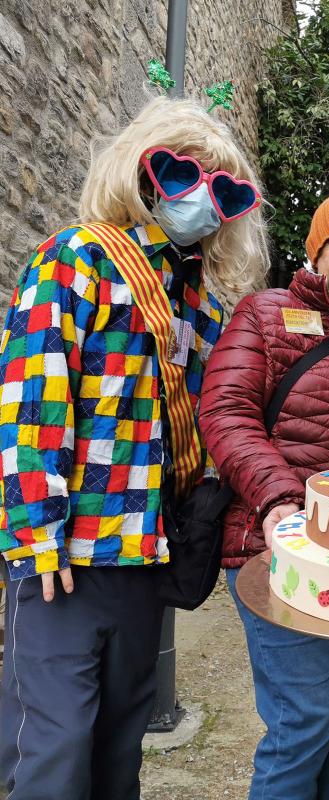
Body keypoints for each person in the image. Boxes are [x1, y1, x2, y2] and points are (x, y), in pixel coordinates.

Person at [0, 95, 268, 798]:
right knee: (51, 752)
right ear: (141, 171)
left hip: (147, 555)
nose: (205, 200)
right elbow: (35, 395)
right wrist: (35, 535)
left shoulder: (203, 302)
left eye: (226, 189)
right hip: (68, 553)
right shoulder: (77, 257)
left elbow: (216, 422)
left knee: (120, 748)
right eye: (183, 173)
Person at [198, 192, 329, 800]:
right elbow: (225, 411)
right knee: (305, 719)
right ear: (317, 252)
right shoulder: (265, 314)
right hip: (276, 547)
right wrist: (278, 501)